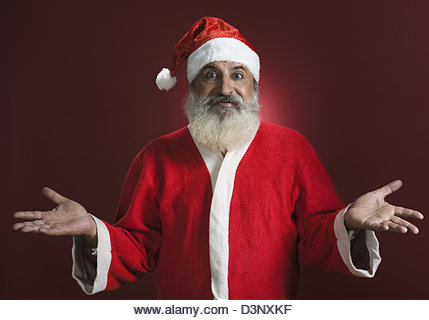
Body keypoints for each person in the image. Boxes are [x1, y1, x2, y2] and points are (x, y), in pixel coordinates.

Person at [12, 17, 423, 300]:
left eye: (238, 75)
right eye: (211, 74)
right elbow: (138, 246)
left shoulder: (291, 149)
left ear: (254, 86)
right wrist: (93, 231)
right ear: (191, 86)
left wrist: (348, 220)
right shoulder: (157, 157)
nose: (226, 87)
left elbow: (314, 238)